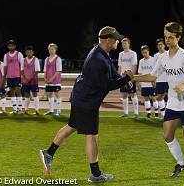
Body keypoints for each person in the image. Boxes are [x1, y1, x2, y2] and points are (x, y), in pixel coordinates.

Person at [39, 26, 133, 183]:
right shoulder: (98, 59)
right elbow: (106, 85)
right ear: (109, 40)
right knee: (92, 136)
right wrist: (125, 80)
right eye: (115, 38)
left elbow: (111, 71)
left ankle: (48, 153)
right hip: (86, 101)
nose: (118, 41)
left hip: (81, 97)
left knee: (71, 126)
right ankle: (95, 175)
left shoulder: (101, 52)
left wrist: (124, 79)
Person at [134, 22, 184, 178]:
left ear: (178, 37)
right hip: (173, 102)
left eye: (171, 37)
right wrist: (132, 77)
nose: (167, 40)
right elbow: (152, 76)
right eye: (166, 37)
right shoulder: (162, 57)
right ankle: (181, 163)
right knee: (167, 136)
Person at [118, 38, 139, 118]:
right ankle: (126, 113)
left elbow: (134, 66)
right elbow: (119, 66)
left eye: (125, 43)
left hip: (130, 77)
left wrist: (131, 77)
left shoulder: (133, 53)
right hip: (122, 77)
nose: (124, 45)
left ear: (129, 44)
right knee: (124, 95)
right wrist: (118, 77)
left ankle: (136, 113)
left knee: (133, 94)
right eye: (123, 43)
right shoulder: (121, 54)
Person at [137, 45, 158, 119]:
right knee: (146, 98)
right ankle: (148, 113)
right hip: (144, 83)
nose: (144, 54)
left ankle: (156, 113)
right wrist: (139, 82)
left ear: (148, 51)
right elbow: (140, 72)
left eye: (146, 52)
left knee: (153, 97)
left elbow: (155, 71)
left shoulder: (153, 60)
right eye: (143, 53)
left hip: (151, 82)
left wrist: (154, 80)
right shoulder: (141, 61)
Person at [3, 40, 24, 114]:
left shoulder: (19, 54)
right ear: (8, 46)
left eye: (12, 45)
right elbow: (5, 66)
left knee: (18, 91)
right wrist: (4, 77)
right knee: (12, 92)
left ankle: (20, 109)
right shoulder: (6, 55)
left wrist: (22, 75)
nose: (10, 46)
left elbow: (22, 65)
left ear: (15, 46)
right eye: (9, 45)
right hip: (9, 76)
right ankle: (15, 109)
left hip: (17, 76)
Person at [44, 43, 62, 116]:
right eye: (50, 49)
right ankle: (51, 110)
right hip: (48, 81)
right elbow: (45, 69)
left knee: (57, 94)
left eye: (53, 49)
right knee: (49, 94)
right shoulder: (47, 59)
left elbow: (58, 71)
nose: (51, 50)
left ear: (55, 50)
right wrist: (45, 78)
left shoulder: (58, 59)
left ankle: (58, 111)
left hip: (56, 81)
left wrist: (52, 79)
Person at [21, 46, 41, 115]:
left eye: (30, 51)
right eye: (27, 52)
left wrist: (29, 79)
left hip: (33, 80)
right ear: (25, 52)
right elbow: (22, 70)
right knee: (26, 95)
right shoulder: (23, 60)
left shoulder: (35, 59)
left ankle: (37, 110)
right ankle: (26, 110)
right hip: (25, 81)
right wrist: (24, 79)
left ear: (33, 52)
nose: (29, 53)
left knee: (35, 94)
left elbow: (37, 71)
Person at [154, 38, 168, 118]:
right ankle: (163, 114)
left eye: (161, 45)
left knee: (169, 96)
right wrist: (154, 79)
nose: (160, 46)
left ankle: (171, 114)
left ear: (164, 45)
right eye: (158, 45)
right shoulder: (156, 56)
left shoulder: (168, 53)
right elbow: (154, 68)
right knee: (159, 97)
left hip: (168, 79)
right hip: (159, 79)